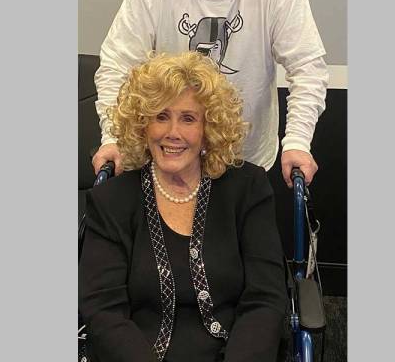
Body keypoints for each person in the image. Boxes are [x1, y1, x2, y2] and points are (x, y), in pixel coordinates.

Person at [92, 0, 329, 188]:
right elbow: (116, 65)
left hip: (248, 160)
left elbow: (308, 67)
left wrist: (296, 140)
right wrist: (112, 138)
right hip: (169, 157)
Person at [79, 52, 287, 361]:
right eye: (160, 116)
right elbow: (104, 312)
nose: (172, 132)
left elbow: (265, 300)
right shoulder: (111, 202)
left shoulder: (248, 190)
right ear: (142, 124)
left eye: (188, 118)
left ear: (209, 128)